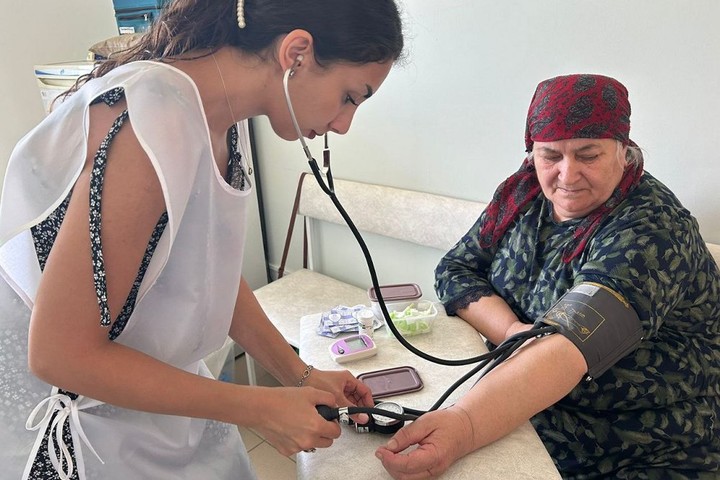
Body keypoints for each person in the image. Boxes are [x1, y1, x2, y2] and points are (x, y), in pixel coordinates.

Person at [0, 0, 404, 478]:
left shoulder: (217, 120)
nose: (343, 124)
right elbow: (60, 354)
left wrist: (300, 375)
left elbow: (206, 272)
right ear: (296, 53)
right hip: (80, 427)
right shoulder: (152, 125)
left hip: (153, 399)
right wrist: (257, 408)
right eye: (350, 97)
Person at [375, 74, 720, 479]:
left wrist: (465, 426)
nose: (567, 175)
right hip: (527, 413)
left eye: (588, 155)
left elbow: (574, 340)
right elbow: (456, 269)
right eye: (550, 155)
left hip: (641, 449)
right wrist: (512, 332)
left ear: (623, 151)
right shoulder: (522, 196)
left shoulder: (652, 228)